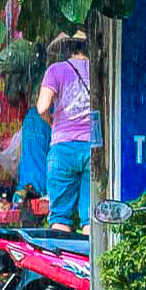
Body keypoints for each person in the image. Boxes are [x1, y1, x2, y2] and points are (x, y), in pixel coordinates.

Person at [37, 33, 91, 233]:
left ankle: (62, 263)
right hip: (92, 148)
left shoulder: (56, 70)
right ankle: (90, 262)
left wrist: (51, 122)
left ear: (66, 48)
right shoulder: (98, 70)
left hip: (62, 150)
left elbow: (42, 107)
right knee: (90, 217)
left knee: (60, 217)